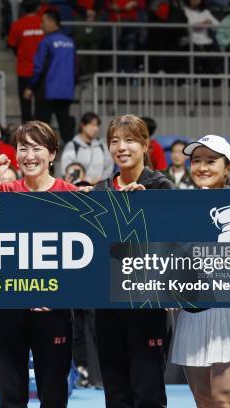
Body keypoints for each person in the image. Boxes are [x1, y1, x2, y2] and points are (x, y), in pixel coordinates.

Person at [0, 121, 77, 408]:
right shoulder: (2, 193)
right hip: (7, 307)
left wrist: (58, 292)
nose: (29, 155)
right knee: (10, 395)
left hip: (54, 309)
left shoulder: (73, 195)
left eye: (37, 148)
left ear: (52, 154)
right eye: (22, 148)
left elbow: (82, 260)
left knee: (53, 395)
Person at [170, 134, 230, 408]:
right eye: (197, 160)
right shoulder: (177, 207)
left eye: (211, 161)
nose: (202, 167)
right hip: (192, 312)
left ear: (228, 168)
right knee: (203, 398)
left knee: (225, 398)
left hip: (229, 313)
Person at [93, 114, 174, 408]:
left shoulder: (159, 187)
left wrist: (141, 211)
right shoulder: (101, 191)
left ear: (145, 145)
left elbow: (171, 243)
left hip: (147, 307)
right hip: (108, 308)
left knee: (148, 392)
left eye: (129, 140)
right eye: (115, 141)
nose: (121, 147)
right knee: (115, 394)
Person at [25, 9, 76, 144]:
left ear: (52, 22)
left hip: (47, 92)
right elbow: (76, 68)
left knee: (40, 132)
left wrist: (31, 87)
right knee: (66, 128)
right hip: (66, 93)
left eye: (43, 22)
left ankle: (43, 162)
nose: (41, 25)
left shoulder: (46, 42)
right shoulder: (70, 42)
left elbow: (39, 67)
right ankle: (75, 160)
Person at [8, 0, 45, 123]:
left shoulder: (17, 25)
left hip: (24, 72)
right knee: (41, 108)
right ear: (38, 7)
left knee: (25, 108)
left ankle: (26, 137)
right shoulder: (44, 23)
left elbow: (12, 45)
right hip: (41, 73)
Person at [60, 112, 113, 184]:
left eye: (97, 125)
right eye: (92, 125)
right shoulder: (72, 145)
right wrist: (82, 181)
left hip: (99, 189)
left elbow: (109, 167)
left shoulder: (102, 146)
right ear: (82, 125)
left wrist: (99, 180)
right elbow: (66, 169)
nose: (96, 128)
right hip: (78, 190)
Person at [183, 0, 222, 76]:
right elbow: (188, 26)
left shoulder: (205, 12)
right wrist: (201, 24)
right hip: (191, 42)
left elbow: (217, 25)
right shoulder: (184, 10)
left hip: (207, 42)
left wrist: (209, 22)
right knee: (198, 53)